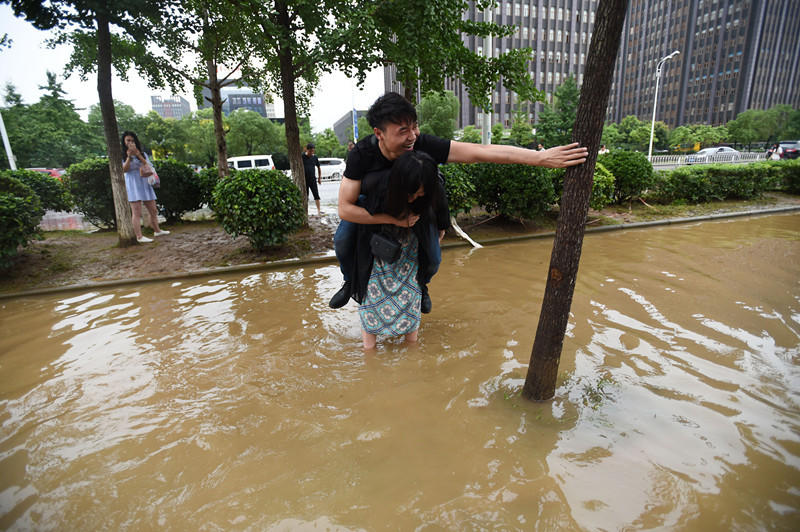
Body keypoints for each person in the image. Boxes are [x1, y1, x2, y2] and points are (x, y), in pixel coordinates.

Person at [329, 92, 588, 312]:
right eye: (403, 130)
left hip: (417, 207)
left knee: (433, 259)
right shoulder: (362, 154)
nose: (413, 136)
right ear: (379, 133)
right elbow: (345, 208)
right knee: (342, 240)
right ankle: (350, 281)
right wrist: (391, 219)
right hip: (375, 206)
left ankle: (422, 285)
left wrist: (540, 158)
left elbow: (479, 152)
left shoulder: (422, 144)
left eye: (414, 126)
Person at [356, 151, 439, 350]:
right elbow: (357, 216)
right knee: (370, 298)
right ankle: (369, 352)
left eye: (420, 193)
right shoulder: (377, 186)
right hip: (378, 252)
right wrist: (395, 220)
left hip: (411, 252)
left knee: (412, 294)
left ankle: (412, 348)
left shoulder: (430, 192)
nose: (414, 197)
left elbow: (439, 221)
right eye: (411, 192)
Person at [121, 131, 170, 243]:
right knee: (136, 211)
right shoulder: (122, 154)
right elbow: (124, 169)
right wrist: (129, 157)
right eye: (128, 140)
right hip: (132, 182)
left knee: (153, 209)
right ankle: (139, 236)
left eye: (132, 140)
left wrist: (138, 155)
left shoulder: (142, 153)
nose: (130, 143)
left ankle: (157, 230)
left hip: (144, 180)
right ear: (124, 142)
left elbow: (148, 165)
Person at [302, 143, 322, 215]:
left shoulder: (315, 157)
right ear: (306, 150)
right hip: (304, 180)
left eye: (313, 151)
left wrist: (319, 178)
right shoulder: (302, 156)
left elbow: (319, 167)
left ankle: (319, 211)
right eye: (310, 151)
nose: (312, 153)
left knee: (316, 195)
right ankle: (305, 212)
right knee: (305, 196)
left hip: (313, 179)